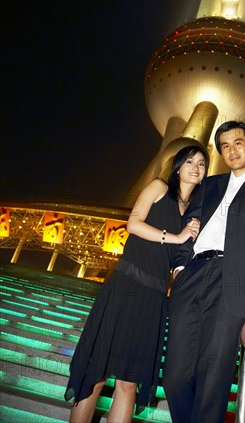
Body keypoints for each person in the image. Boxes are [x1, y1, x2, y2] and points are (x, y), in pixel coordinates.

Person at [64, 144, 209, 423]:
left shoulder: (194, 215)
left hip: (154, 298)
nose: (195, 167)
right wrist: (176, 237)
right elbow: (133, 223)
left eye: (202, 164)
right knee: (97, 373)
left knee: (129, 382)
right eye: (190, 161)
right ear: (178, 167)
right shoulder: (158, 187)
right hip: (126, 287)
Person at [163, 120, 245, 423]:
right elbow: (188, 227)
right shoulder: (210, 184)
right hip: (192, 275)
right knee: (174, 378)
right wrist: (180, 266)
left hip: (234, 284)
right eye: (225, 145)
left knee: (213, 380)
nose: (231, 150)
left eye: (238, 142)